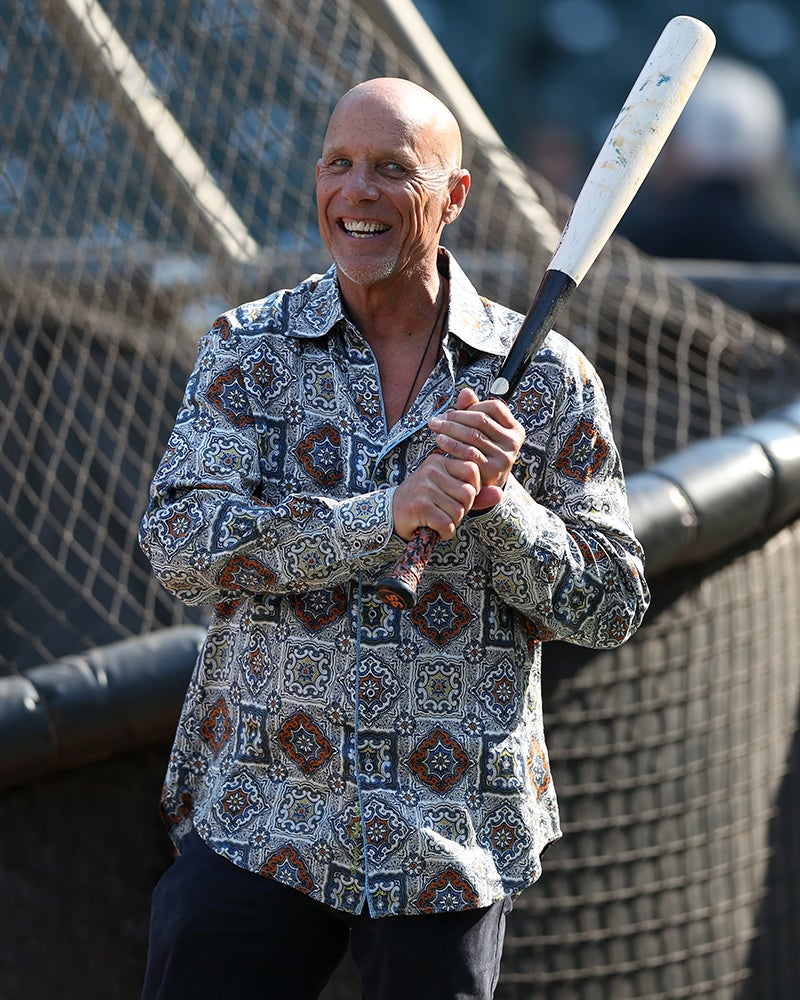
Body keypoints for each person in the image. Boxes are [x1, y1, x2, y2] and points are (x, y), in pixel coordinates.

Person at [139, 77, 649, 1000]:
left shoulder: (546, 380)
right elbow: (180, 545)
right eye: (339, 165)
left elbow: (610, 604)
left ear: (453, 197)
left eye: (392, 170)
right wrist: (388, 516)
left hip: (446, 846)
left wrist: (501, 509)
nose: (357, 192)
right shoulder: (250, 350)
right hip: (259, 823)